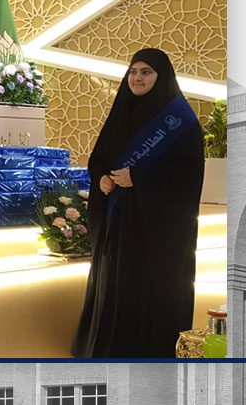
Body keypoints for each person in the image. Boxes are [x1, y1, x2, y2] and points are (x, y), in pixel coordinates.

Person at [72, 47, 205, 358]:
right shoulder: (122, 111)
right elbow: (99, 159)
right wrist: (101, 179)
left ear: (162, 77)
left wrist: (139, 178)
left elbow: (187, 175)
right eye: (133, 72)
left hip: (154, 234)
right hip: (118, 225)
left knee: (146, 296)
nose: (137, 78)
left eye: (146, 72)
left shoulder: (181, 121)